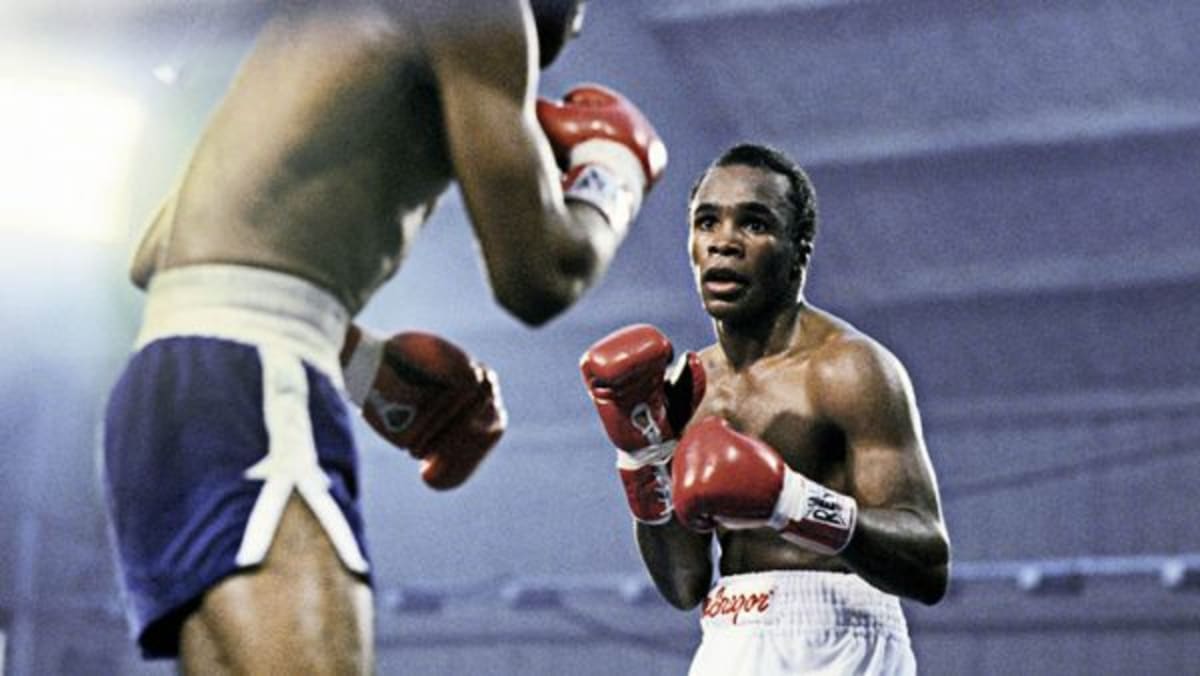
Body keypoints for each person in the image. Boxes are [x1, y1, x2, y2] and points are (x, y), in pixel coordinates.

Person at [102, 0, 667, 672]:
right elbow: (540, 276)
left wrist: (364, 365)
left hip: (169, 386)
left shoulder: (313, 34)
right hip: (255, 384)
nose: (577, 24)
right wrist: (613, 172)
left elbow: (155, 257)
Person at [581, 143, 949, 675]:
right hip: (729, 632)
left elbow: (929, 566)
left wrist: (792, 501)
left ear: (799, 250)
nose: (724, 242)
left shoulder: (847, 369)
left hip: (839, 636)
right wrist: (642, 458)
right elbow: (683, 585)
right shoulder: (686, 387)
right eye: (707, 222)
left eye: (753, 224)